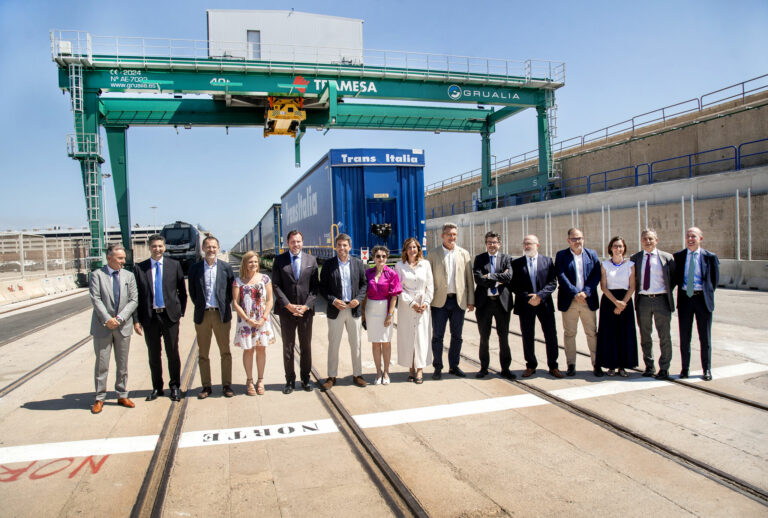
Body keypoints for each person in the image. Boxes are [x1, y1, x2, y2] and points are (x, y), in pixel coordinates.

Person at [133, 234, 187, 402]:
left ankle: (175, 386)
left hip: (170, 317)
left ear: (165, 247)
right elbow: (135, 296)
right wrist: (136, 319)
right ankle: (157, 387)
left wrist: (180, 312)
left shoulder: (174, 265)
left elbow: (182, 292)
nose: (157, 249)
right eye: (154, 246)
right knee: (154, 354)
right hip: (150, 318)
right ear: (149, 248)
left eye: (160, 246)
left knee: (173, 353)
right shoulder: (139, 268)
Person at [88, 244, 138, 414]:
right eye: (120, 258)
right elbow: (95, 298)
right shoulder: (97, 275)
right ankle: (100, 397)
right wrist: (107, 319)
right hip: (103, 327)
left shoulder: (129, 276)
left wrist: (119, 318)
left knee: (122, 364)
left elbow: (134, 300)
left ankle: (122, 394)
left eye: (124, 258)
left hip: (122, 326)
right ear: (109, 258)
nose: (123, 261)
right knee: (102, 364)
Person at [188, 235, 236, 399]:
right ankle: (206, 386)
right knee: (203, 354)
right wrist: (201, 305)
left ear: (218, 248)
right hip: (203, 315)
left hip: (221, 315)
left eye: (214, 247)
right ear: (203, 248)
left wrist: (222, 305)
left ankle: (226, 385)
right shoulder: (194, 269)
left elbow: (230, 292)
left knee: (225, 352)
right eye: (208, 247)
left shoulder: (226, 268)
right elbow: (192, 292)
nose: (211, 250)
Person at [272, 229, 319, 394]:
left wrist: (306, 306)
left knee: (306, 347)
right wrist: (288, 305)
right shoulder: (279, 260)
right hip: (287, 312)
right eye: (292, 242)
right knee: (288, 347)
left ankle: (305, 379)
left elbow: (315, 287)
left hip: (306, 312)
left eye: (298, 241)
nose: (296, 244)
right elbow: (275, 285)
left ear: (302, 242)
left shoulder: (311, 260)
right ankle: (289, 381)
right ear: (287, 243)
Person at [319, 234, 368, 389]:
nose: (342, 248)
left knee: (356, 344)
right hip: (336, 310)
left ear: (350, 246)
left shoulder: (358, 263)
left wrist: (358, 299)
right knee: (334, 344)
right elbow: (322, 287)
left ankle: (357, 374)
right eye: (339, 245)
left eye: (345, 245)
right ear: (335, 247)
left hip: (353, 309)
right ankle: (331, 376)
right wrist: (333, 300)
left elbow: (364, 284)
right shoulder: (328, 265)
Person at [511, 235, 563, 378]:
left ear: (537, 245)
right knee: (527, 335)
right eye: (525, 244)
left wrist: (539, 296)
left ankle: (553, 366)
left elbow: (553, 282)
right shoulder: (517, 263)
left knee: (551, 335)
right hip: (525, 304)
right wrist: (528, 297)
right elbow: (513, 285)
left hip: (544, 303)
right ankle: (530, 365)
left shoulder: (547, 261)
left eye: (530, 243)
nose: (527, 246)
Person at [428, 222, 475, 379]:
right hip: (439, 302)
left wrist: (471, 300)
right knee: (437, 336)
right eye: (449, 234)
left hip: (458, 302)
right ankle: (437, 367)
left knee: (457, 336)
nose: (452, 237)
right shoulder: (433, 254)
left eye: (454, 234)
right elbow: (428, 279)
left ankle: (454, 366)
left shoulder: (464, 254)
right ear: (442, 236)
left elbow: (469, 279)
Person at [673, 227, 720, 381]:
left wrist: (705, 294)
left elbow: (714, 281)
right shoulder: (679, 256)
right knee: (684, 337)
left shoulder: (710, 257)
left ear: (701, 238)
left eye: (693, 236)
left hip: (702, 300)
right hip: (685, 300)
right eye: (688, 236)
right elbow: (675, 278)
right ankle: (685, 369)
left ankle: (706, 369)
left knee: (705, 337)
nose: (690, 239)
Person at [555, 228, 602, 377]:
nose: (577, 241)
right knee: (570, 333)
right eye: (574, 239)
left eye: (579, 238)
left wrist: (586, 292)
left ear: (583, 239)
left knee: (592, 333)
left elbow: (596, 274)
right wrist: (575, 293)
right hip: (570, 301)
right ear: (568, 240)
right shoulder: (561, 255)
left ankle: (596, 364)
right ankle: (571, 364)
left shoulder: (592, 254)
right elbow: (561, 275)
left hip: (588, 300)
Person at [631, 229, 676, 379]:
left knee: (664, 336)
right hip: (643, 301)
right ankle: (649, 366)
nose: (648, 241)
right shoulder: (635, 258)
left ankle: (664, 367)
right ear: (641, 241)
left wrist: (663, 292)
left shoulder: (667, 258)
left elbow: (673, 278)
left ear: (656, 240)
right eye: (645, 239)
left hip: (661, 300)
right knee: (645, 335)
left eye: (650, 239)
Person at [473, 231, 515, 379]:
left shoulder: (506, 259)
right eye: (489, 242)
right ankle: (484, 368)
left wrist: (490, 276)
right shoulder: (479, 259)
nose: (492, 245)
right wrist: (498, 280)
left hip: (502, 303)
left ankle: (506, 368)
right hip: (484, 304)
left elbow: (509, 277)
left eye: (494, 242)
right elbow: (478, 279)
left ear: (499, 244)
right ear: (486, 244)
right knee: (484, 337)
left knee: (503, 337)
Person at [232, 251, 275, 396]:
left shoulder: (265, 279)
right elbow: (236, 303)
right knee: (248, 350)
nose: (253, 264)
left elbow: (270, 300)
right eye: (250, 262)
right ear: (245, 263)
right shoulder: (238, 281)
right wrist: (248, 319)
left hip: (262, 320)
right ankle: (249, 381)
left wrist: (263, 318)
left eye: (256, 261)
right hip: (246, 322)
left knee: (261, 349)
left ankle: (260, 380)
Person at [595, 236, 639, 377]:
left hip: (625, 301)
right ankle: (611, 365)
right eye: (615, 246)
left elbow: (632, 287)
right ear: (610, 248)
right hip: (609, 301)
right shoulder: (604, 265)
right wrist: (616, 302)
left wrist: (623, 303)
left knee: (624, 334)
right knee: (610, 334)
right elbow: (603, 287)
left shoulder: (630, 265)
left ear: (624, 248)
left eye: (620, 246)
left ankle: (623, 366)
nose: (618, 249)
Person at [395, 238, 433, 384]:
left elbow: (430, 286)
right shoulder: (400, 265)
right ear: (405, 250)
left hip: (423, 307)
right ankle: (410, 368)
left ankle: (420, 370)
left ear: (418, 249)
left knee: (421, 338)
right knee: (408, 337)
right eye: (409, 248)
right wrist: (412, 303)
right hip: (407, 306)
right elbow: (398, 288)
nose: (412, 250)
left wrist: (426, 303)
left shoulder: (426, 264)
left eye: (415, 247)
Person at [363, 245, 402, 385]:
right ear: (373, 258)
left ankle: (386, 372)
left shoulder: (392, 274)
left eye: (384, 256)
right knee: (375, 342)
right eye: (378, 256)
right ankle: (378, 373)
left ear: (387, 258)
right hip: (371, 309)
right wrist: (363, 314)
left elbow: (394, 296)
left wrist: (390, 314)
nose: (381, 258)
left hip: (385, 309)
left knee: (386, 342)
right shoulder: (368, 273)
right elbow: (364, 294)